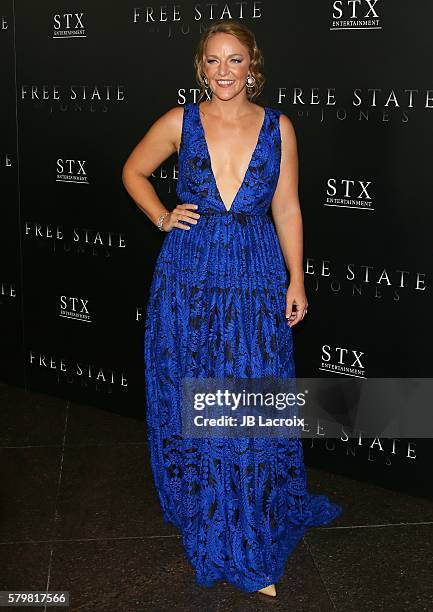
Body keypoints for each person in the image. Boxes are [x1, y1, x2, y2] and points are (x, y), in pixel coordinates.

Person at [122, 19, 342, 598]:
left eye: (235, 60)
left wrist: (297, 278)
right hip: (189, 276)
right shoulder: (180, 121)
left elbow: (288, 208)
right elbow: (133, 171)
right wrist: (162, 216)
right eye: (214, 60)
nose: (224, 71)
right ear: (202, 66)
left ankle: (249, 519)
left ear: (253, 65)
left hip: (254, 272)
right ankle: (213, 512)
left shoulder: (279, 127)